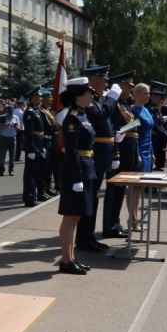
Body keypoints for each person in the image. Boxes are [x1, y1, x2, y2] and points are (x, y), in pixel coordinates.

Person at [56, 78, 97, 275]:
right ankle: (66, 260)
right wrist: (77, 178)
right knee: (70, 217)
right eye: (88, 93)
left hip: (86, 167)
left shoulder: (83, 116)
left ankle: (71, 258)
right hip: (76, 170)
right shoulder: (72, 118)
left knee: (76, 216)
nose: (91, 96)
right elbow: (71, 151)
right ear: (78, 95)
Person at [76, 65, 113, 251]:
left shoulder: (97, 100)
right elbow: (99, 118)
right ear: (93, 81)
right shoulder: (90, 103)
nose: (106, 82)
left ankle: (88, 236)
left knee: (94, 198)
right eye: (103, 79)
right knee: (89, 198)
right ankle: (83, 238)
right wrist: (113, 99)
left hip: (101, 155)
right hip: (94, 155)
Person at [103, 70, 136, 238]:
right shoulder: (114, 104)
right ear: (120, 86)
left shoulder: (124, 104)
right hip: (119, 153)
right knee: (114, 192)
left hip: (127, 153)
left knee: (120, 192)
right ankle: (109, 226)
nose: (131, 89)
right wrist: (115, 154)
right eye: (128, 86)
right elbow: (111, 129)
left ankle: (115, 223)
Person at [127, 83, 155, 229]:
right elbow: (133, 136)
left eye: (148, 93)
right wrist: (136, 154)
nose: (148, 95)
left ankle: (136, 217)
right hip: (138, 152)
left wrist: (152, 152)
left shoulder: (146, 110)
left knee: (139, 187)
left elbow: (149, 134)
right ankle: (132, 219)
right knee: (133, 186)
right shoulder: (134, 112)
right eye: (145, 93)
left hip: (147, 151)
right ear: (136, 94)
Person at [21, 87, 45, 207]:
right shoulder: (30, 112)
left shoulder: (36, 111)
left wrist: (41, 147)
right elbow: (29, 133)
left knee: (36, 174)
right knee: (30, 174)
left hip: (38, 146)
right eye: (39, 96)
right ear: (33, 98)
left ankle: (33, 196)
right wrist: (30, 149)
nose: (41, 98)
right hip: (33, 147)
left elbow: (40, 132)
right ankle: (29, 198)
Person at [0, 104, 19, 176]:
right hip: (4, 138)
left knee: (12, 156)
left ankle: (11, 170)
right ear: (7, 111)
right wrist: (7, 125)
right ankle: (1, 170)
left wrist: (14, 126)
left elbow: (19, 128)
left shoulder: (16, 117)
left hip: (12, 138)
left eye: (11, 113)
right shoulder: (2, 117)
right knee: (2, 156)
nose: (10, 114)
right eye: (9, 113)